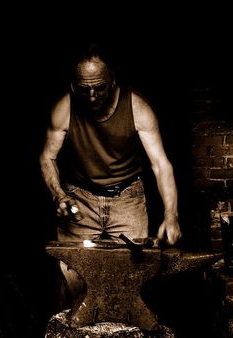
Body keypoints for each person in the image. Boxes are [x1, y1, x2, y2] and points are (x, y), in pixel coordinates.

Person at [39, 42, 182, 309]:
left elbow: (161, 165)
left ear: (112, 80)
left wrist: (171, 214)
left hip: (128, 199)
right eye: (84, 89)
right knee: (74, 283)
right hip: (79, 200)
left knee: (132, 281)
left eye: (99, 87)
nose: (92, 96)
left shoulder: (138, 108)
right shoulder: (64, 108)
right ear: (73, 85)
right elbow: (47, 157)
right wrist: (58, 195)